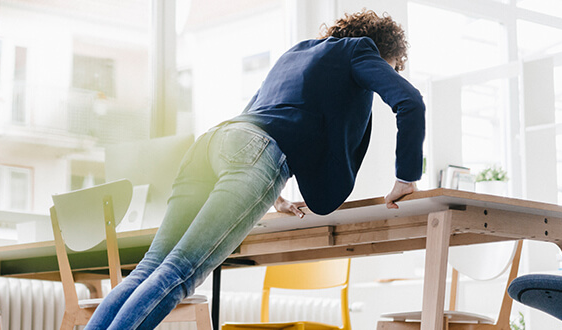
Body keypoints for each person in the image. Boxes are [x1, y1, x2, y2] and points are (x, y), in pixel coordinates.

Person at [84, 9, 425, 330]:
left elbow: (259, 114)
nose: (388, 75)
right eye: (391, 67)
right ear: (384, 53)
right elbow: (409, 101)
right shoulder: (360, 51)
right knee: (180, 270)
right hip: (253, 154)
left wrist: (275, 195)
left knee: (150, 266)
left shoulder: (297, 53)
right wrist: (406, 177)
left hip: (211, 144)